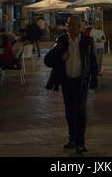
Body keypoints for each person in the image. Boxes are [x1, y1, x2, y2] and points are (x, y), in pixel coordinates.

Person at [44, 15, 98, 155]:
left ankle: (80, 142)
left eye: (73, 24)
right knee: (69, 111)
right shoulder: (61, 41)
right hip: (67, 81)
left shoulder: (88, 41)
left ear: (80, 27)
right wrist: (60, 58)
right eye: (68, 24)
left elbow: (93, 62)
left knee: (80, 111)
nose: (70, 27)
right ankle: (72, 139)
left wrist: (93, 80)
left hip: (82, 81)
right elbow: (47, 60)